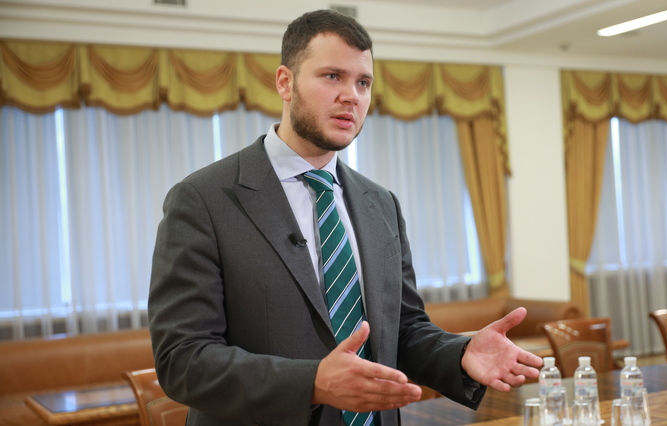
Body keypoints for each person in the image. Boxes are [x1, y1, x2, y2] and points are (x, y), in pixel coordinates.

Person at [148, 9, 542, 426]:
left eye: (363, 82)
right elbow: (183, 360)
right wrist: (313, 383)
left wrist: (460, 354)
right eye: (332, 76)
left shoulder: (381, 203)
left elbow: (403, 330)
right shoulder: (203, 200)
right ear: (285, 82)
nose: (352, 96)